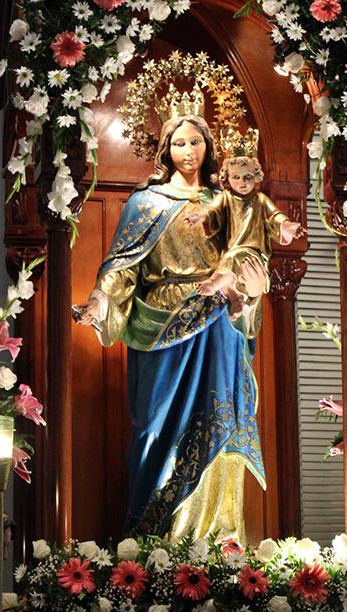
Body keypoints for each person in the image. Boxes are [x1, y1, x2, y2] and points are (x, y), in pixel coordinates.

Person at [73, 114, 264, 541]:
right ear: (166, 150)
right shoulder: (146, 203)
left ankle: (218, 536)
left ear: (208, 148)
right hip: (161, 325)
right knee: (154, 426)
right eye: (179, 143)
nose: (189, 151)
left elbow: (250, 260)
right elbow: (119, 270)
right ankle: (153, 542)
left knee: (221, 424)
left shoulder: (228, 203)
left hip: (217, 323)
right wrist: (99, 303)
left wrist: (250, 293)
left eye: (196, 142)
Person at [189, 140, 303, 320]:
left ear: (256, 175)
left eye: (247, 176)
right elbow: (213, 212)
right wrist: (201, 217)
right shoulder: (226, 197)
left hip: (254, 253)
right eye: (236, 177)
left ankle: (213, 283)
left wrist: (287, 226)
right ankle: (236, 301)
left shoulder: (260, 199)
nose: (242, 182)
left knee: (234, 261)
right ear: (227, 177)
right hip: (230, 252)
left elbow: (274, 217)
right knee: (230, 274)